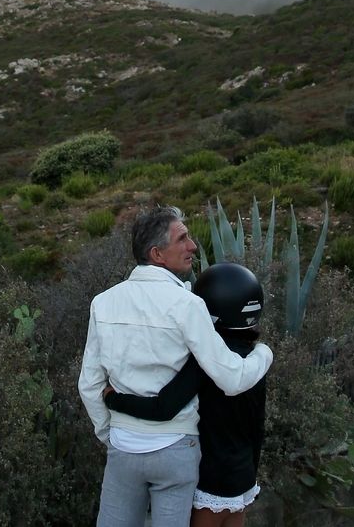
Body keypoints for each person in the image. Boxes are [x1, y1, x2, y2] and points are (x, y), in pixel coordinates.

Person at [79, 207, 273, 527]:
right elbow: (233, 378)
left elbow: (88, 385)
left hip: (124, 447)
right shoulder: (188, 305)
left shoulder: (103, 302)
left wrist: (111, 435)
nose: (193, 246)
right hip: (175, 449)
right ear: (157, 254)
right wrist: (263, 353)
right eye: (182, 239)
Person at [104, 262, 267, 527]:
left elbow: (164, 408)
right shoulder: (255, 361)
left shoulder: (206, 360)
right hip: (243, 481)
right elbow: (257, 429)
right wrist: (249, 478)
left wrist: (113, 399)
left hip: (209, 481)